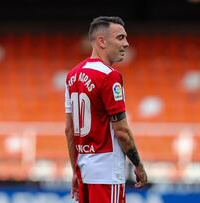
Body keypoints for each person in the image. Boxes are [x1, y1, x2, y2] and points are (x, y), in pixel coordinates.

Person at [64, 16, 148, 203]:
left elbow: (69, 131)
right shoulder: (110, 77)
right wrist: (138, 165)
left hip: (84, 172)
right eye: (120, 38)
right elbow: (122, 131)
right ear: (101, 41)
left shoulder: (72, 75)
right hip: (107, 174)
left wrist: (75, 171)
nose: (126, 44)